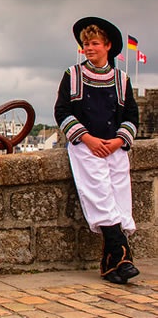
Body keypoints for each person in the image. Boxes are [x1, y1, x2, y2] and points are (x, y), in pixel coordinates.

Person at [55, 17, 139, 284]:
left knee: (118, 198)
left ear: (107, 46)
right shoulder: (73, 75)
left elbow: (130, 116)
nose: (88, 48)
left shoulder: (121, 79)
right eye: (85, 44)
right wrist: (88, 139)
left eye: (93, 43)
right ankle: (123, 255)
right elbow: (63, 112)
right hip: (87, 147)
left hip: (114, 147)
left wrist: (117, 141)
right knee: (100, 196)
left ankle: (109, 264)